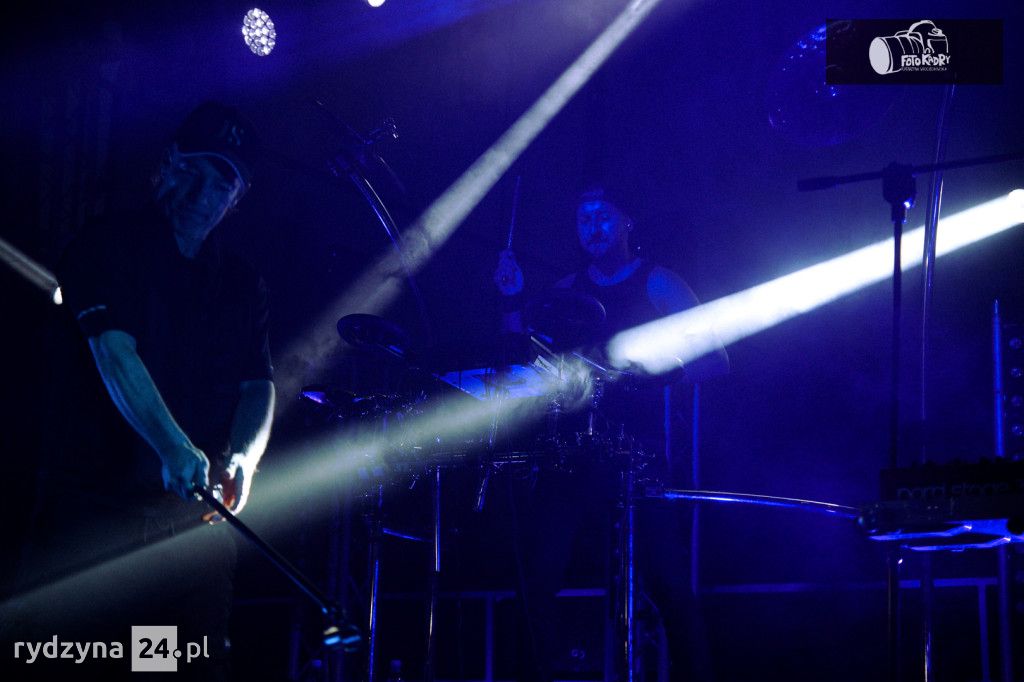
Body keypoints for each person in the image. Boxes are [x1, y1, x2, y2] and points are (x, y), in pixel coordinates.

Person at [2, 102, 274, 681]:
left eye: (223, 180)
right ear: (169, 162)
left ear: (238, 197)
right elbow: (113, 351)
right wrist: (173, 446)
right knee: (82, 662)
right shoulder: (109, 244)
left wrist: (245, 460)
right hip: (91, 526)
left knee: (165, 668)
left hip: (182, 541)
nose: (203, 190)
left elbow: (259, 385)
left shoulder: (240, 283)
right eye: (195, 168)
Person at [492, 186, 727, 681]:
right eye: (583, 218)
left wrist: (656, 375)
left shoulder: (658, 282)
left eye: (603, 215)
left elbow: (716, 359)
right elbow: (523, 361)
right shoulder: (566, 289)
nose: (593, 227)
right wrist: (511, 299)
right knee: (535, 578)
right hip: (572, 456)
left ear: (627, 221)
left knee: (669, 584)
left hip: (638, 457)